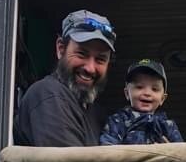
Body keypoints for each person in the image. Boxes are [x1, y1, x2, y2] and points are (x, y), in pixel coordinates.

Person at [13, 9, 116, 147]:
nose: (90, 68)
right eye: (81, 54)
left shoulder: (96, 114)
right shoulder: (50, 95)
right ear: (61, 48)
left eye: (100, 59)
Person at [100, 59, 184, 145]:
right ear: (127, 94)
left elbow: (183, 154)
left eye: (154, 89)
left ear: (162, 98)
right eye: (139, 87)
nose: (147, 93)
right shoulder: (118, 121)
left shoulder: (168, 126)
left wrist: (170, 152)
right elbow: (107, 149)